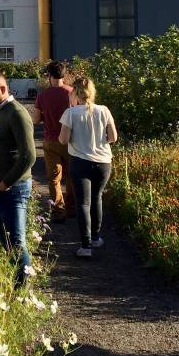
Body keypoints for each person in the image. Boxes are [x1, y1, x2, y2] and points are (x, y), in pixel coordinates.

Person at [0, 70, 36, 284]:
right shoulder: (0, 111)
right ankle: (16, 283)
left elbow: (29, 155)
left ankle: (23, 290)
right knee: (6, 240)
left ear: (3, 89)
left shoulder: (16, 113)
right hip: (1, 187)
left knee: (16, 241)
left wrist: (5, 184)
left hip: (14, 188)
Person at [58, 76, 118, 258]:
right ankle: (96, 238)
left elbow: (63, 139)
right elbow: (113, 137)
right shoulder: (104, 110)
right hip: (103, 162)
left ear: (74, 93)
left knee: (83, 203)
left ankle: (85, 246)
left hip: (80, 161)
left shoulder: (71, 113)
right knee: (97, 198)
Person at [32, 61, 74, 222]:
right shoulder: (72, 93)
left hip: (51, 140)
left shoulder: (43, 95)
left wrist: (45, 116)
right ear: (64, 74)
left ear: (49, 76)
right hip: (70, 141)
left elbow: (35, 119)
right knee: (71, 176)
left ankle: (58, 210)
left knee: (54, 178)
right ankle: (71, 208)